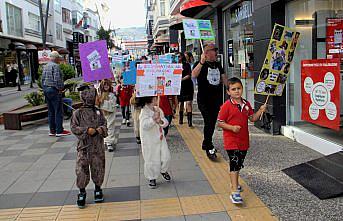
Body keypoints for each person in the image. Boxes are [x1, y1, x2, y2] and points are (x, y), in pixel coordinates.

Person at [217, 77, 266, 204]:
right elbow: (220, 123)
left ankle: (235, 183)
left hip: (243, 140)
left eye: (239, 88)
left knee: (239, 164)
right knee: (234, 164)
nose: (237, 91)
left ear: (242, 89)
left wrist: (260, 111)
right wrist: (232, 128)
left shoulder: (246, 104)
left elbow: (252, 118)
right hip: (231, 141)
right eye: (233, 89)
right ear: (228, 92)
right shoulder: (226, 106)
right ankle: (234, 191)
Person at [70, 84, 108, 208]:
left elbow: (105, 126)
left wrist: (98, 130)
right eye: (95, 95)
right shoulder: (77, 113)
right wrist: (87, 130)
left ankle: (98, 188)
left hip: (97, 147)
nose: (97, 98)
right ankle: (82, 192)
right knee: (81, 169)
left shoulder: (98, 112)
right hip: (84, 148)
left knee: (98, 167)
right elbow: (74, 128)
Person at [192, 44, 227, 160]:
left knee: (212, 122)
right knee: (209, 122)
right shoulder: (200, 63)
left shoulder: (217, 64)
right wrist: (201, 62)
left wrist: (231, 89)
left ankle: (205, 143)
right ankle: (209, 146)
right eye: (213, 51)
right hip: (204, 99)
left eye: (216, 51)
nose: (216, 53)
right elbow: (193, 75)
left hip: (216, 99)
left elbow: (223, 77)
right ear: (206, 53)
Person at [138, 96, 171, 188]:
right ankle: (152, 177)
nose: (157, 99)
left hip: (160, 138)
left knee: (166, 157)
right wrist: (153, 119)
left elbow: (165, 122)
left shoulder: (158, 109)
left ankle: (163, 170)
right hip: (149, 141)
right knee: (151, 159)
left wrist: (160, 121)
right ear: (150, 100)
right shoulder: (144, 112)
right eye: (155, 98)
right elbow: (144, 125)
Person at [41, 51, 71, 137]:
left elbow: (42, 79)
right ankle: (59, 130)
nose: (59, 60)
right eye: (59, 58)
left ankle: (52, 130)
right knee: (58, 110)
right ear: (56, 58)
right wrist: (60, 89)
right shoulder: (56, 66)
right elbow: (57, 80)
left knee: (50, 111)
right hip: (54, 90)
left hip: (46, 89)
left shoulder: (45, 66)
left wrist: (44, 89)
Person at [97, 79, 117, 152]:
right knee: (103, 128)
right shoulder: (99, 95)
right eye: (104, 84)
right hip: (102, 115)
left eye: (107, 84)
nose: (106, 86)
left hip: (110, 114)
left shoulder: (111, 95)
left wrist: (104, 102)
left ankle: (109, 142)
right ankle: (105, 141)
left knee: (110, 127)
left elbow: (112, 105)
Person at [178, 53, 194, 127]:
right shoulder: (174, 66)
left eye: (179, 56)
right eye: (177, 57)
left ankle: (189, 121)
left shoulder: (186, 65)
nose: (178, 58)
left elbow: (189, 75)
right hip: (179, 87)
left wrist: (181, 79)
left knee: (188, 103)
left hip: (188, 86)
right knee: (181, 103)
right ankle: (180, 119)